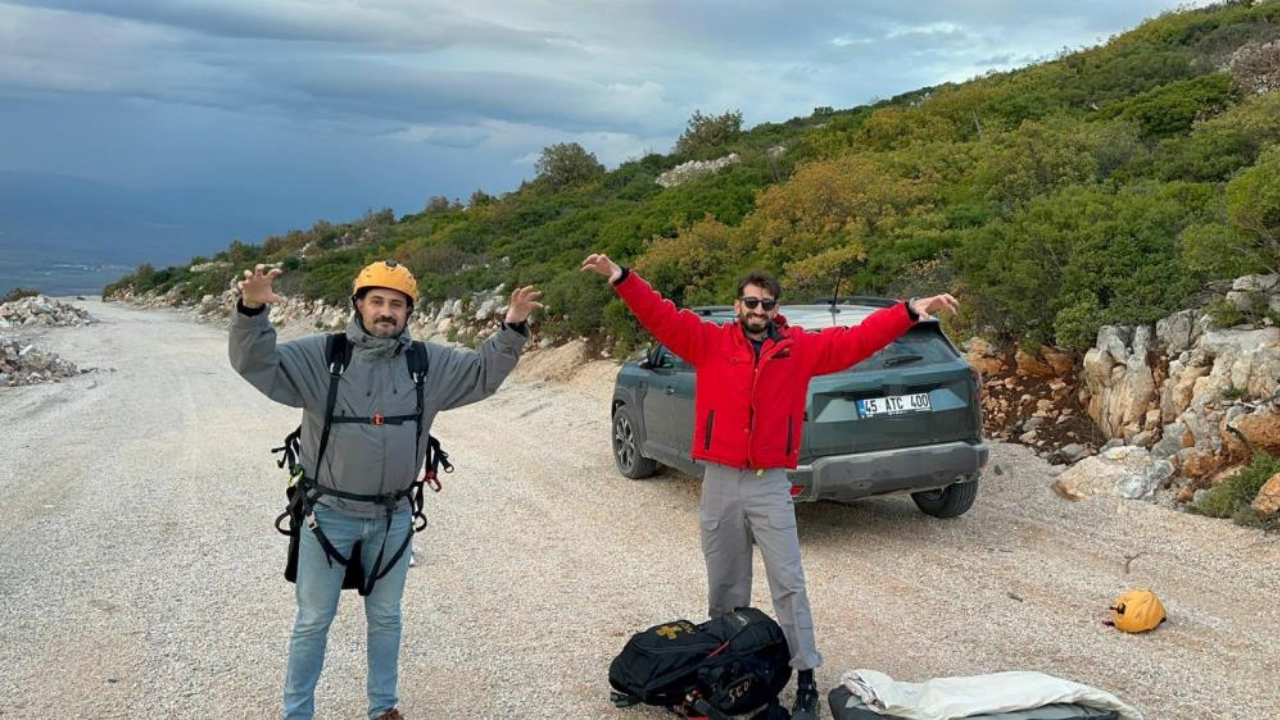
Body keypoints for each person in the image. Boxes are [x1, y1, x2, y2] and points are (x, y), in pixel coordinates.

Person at [581, 254, 958, 720]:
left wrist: (907, 311)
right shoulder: (708, 342)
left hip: (770, 483)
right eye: (751, 302)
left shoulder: (799, 349)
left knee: (789, 583)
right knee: (725, 581)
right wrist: (621, 278)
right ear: (737, 305)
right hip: (720, 480)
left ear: (776, 308)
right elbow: (660, 315)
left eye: (767, 304)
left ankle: (805, 674)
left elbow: (856, 341)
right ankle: (729, 661)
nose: (758, 310)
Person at [229, 260, 542, 720]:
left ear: (408, 312)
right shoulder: (324, 355)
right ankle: (297, 713)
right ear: (358, 305)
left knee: (386, 618)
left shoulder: (426, 363)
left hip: (393, 516)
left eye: (396, 304)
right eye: (376, 301)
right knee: (313, 621)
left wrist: (512, 327)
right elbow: (257, 363)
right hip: (325, 515)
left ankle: (383, 707)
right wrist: (251, 311)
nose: (386, 312)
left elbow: (481, 374)